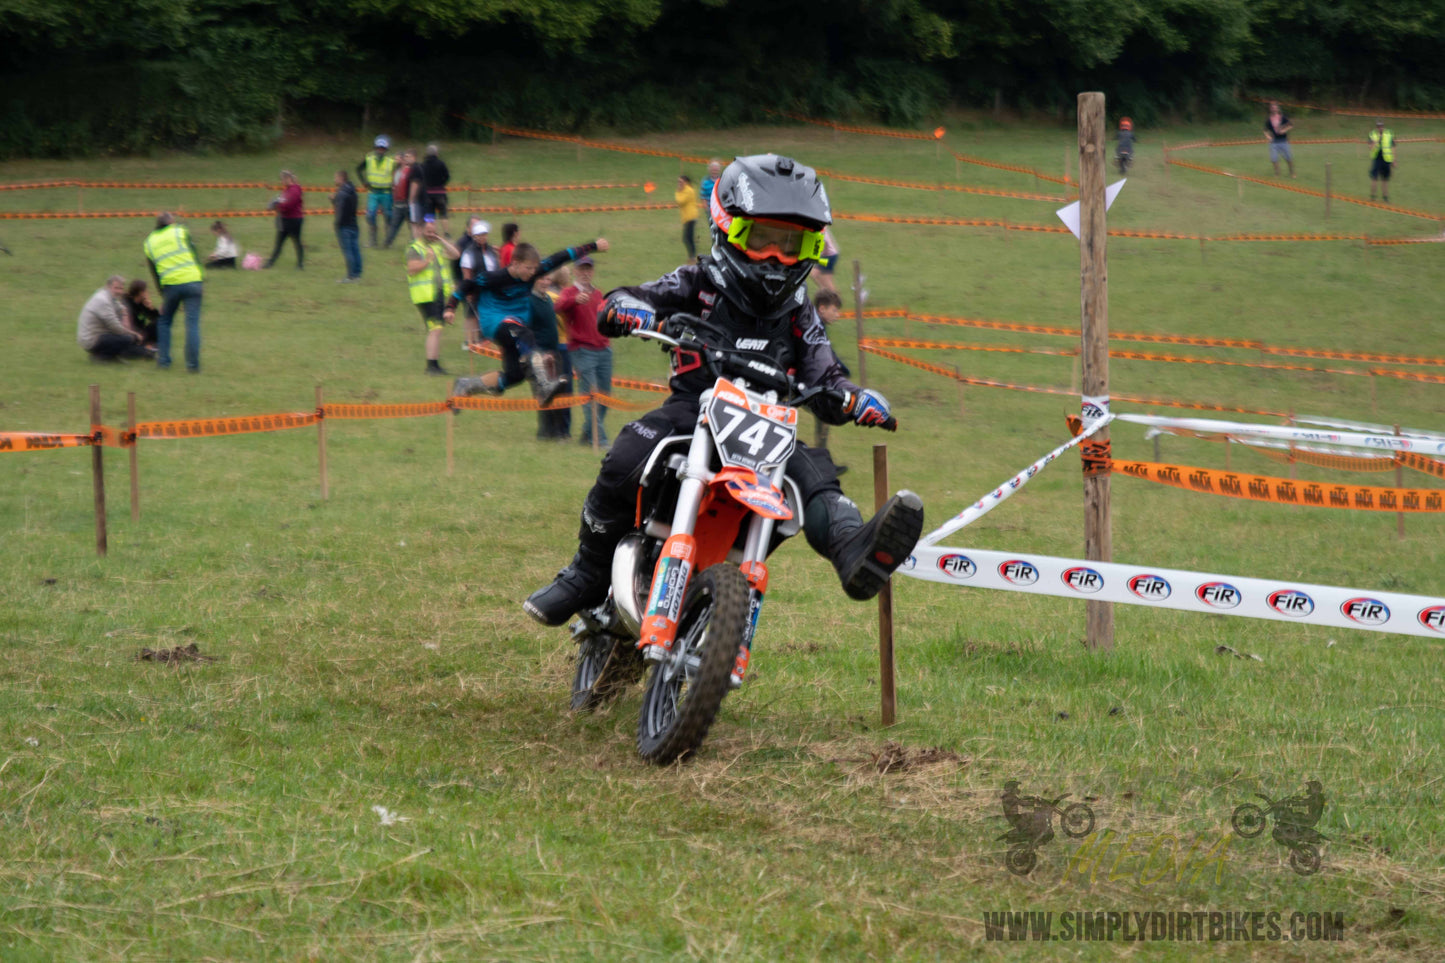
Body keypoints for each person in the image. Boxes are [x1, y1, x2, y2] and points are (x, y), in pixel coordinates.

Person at [523, 154, 924, 629]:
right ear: (727, 230)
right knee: (628, 452)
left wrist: (853, 397)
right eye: (763, 240)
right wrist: (632, 311)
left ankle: (853, 549)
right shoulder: (699, 280)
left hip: (769, 426)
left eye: (790, 244)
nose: (776, 256)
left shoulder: (799, 311)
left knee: (817, 475)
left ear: (812, 247)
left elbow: (825, 374)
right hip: (693, 412)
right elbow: (627, 299)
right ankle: (586, 571)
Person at [449, 237, 608, 404]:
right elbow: (466, 285)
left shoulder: (534, 271)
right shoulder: (493, 277)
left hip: (515, 324)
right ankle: (543, 386)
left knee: (515, 375)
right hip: (494, 322)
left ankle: (467, 385)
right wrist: (450, 307)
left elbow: (563, 256)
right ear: (515, 263)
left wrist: (593, 246)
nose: (532, 273)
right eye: (528, 268)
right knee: (524, 334)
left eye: (534, 269)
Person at [556, 255, 611, 447]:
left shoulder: (599, 294)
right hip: (582, 350)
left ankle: (588, 435)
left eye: (589, 269)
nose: (586, 273)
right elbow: (558, 307)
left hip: (604, 349)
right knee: (590, 395)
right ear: (575, 271)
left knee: (605, 396)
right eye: (582, 269)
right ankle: (601, 440)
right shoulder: (569, 292)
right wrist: (574, 300)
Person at [142, 212, 204, 371]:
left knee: (164, 321)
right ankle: (192, 366)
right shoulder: (181, 230)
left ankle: (163, 361)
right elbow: (194, 255)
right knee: (192, 324)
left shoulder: (149, 242)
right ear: (171, 221)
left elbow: (154, 272)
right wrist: (200, 278)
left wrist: (162, 294)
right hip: (193, 281)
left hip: (170, 286)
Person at [405, 216, 460, 375]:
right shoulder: (414, 249)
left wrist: (441, 240)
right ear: (421, 230)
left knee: (437, 329)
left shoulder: (436, 246)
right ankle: (431, 366)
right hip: (425, 296)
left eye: (434, 231)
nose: (431, 234)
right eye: (428, 231)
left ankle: (434, 365)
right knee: (435, 329)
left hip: (438, 294)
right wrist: (427, 261)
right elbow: (412, 268)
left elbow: (455, 254)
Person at [531, 273, 573, 441]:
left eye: (547, 279)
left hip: (557, 351)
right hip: (541, 353)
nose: (544, 282)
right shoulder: (530, 301)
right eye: (541, 278)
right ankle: (546, 431)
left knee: (560, 390)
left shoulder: (548, 299)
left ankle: (559, 431)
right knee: (545, 391)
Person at [810, 289, 848, 475]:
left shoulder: (815, 323)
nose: (837, 315)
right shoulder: (814, 326)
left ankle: (821, 463)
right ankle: (821, 466)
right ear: (822, 309)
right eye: (834, 310)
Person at [77, 275, 148, 361]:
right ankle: (101, 357)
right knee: (127, 339)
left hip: (93, 336)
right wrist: (134, 335)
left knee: (126, 338)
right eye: (116, 288)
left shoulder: (106, 295)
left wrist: (124, 314)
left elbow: (120, 307)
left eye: (121, 288)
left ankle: (111, 357)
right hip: (91, 340)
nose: (119, 291)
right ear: (108, 286)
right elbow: (116, 328)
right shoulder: (103, 301)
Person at [357, 134, 396, 248]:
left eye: (383, 148)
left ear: (386, 149)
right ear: (375, 147)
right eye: (379, 148)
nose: (380, 150)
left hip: (386, 193)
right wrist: (364, 182)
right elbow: (358, 169)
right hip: (373, 192)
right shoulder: (368, 158)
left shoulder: (391, 161)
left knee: (388, 216)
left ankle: (388, 241)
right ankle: (372, 241)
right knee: (370, 216)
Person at [265, 170, 305, 268]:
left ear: (288, 179)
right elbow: (283, 202)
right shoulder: (286, 190)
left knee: (297, 242)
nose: (281, 182)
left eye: (282, 179)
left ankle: (300, 264)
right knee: (279, 243)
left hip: (294, 220)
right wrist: (274, 204)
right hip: (285, 220)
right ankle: (270, 263)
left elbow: (288, 205)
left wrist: (277, 206)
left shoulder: (295, 190)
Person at [384, 148, 422, 246]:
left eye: (397, 158)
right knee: (394, 225)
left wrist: (410, 200)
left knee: (412, 224)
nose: (395, 161)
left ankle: (416, 242)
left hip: (406, 202)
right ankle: (387, 243)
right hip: (397, 202)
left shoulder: (409, 171)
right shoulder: (396, 171)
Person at [332, 170, 362, 282]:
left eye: (336, 177)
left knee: (348, 251)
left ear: (341, 178)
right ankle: (357, 274)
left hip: (344, 226)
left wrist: (337, 225)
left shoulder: (341, 194)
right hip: (354, 224)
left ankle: (350, 276)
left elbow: (340, 211)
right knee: (355, 250)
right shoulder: (352, 190)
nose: (334, 180)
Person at [421, 144, 450, 235]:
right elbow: (447, 176)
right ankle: (446, 233)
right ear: (436, 153)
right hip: (440, 192)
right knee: (443, 214)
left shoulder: (423, 165)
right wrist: (442, 183)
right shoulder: (441, 163)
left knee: (430, 215)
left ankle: (432, 232)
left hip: (428, 193)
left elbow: (422, 178)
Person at [123, 278, 159, 346]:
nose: (148, 292)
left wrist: (151, 308)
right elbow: (128, 324)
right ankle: (145, 344)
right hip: (132, 333)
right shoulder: (127, 303)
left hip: (142, 331)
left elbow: (157, 319)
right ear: (140, 292)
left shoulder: (142, 303)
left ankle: (151, 344)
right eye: (146, 290)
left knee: (159, 323)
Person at [1264, 102, 1294, 178]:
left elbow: (1290, 125)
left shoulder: (1282, 117)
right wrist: (1268, 136)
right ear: (1270, 109)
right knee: (1274, 159)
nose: (1273, 109)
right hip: (1274, 142)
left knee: (1288, 158)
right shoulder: (1269, 120)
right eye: (1272, 108)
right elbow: (1265, 130)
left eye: (1275, 107)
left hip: (1283, 141)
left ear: (1277, 109)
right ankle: (1277, 174)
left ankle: (1292, 173)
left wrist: (1284, 130)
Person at [1368, 120, 1396, 202]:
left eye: (1381, 126)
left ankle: (1385, 197)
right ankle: (1373, 197)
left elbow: (1393, 147)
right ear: (1376, 127)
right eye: (1378, 126)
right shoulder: (1372, 134)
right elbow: (1370, 147)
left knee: (1385, 179)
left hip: (1386, 159)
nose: (1380, 128)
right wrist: (1376, 141)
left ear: (1384, 126)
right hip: (1377, 159)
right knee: (1374, 178)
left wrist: (1394, 160)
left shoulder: (1389, 134)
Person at [675, 174, 699, 262]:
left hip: (691, 217)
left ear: (685, 182)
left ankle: (692, 256)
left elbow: (680, 201)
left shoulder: (688, 190)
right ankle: (692, 256)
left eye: (681, 182)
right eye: (678, 182)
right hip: (687, 217)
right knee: (688, 238)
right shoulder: (685, 190)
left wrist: (678, 191)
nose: (679, 183)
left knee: (687, 238)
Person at [814, 226, 839, 293]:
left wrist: (818, 255)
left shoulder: (821, 228)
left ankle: (834, 296)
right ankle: (825, 291)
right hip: (829, 255)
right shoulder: (820, 227)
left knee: (826, 280)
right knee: (814, 274)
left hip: (829, 256)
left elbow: (824, 243)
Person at [699, 159, 722, 226]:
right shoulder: (705, 181)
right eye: (713, 170)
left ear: (719, 170)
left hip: (721, 209)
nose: (714, 171)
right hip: (710, 209)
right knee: (712, 226)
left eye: (716, 170)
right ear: (710, 170)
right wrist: (707, 209)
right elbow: (703, 196)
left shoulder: (722, 179)